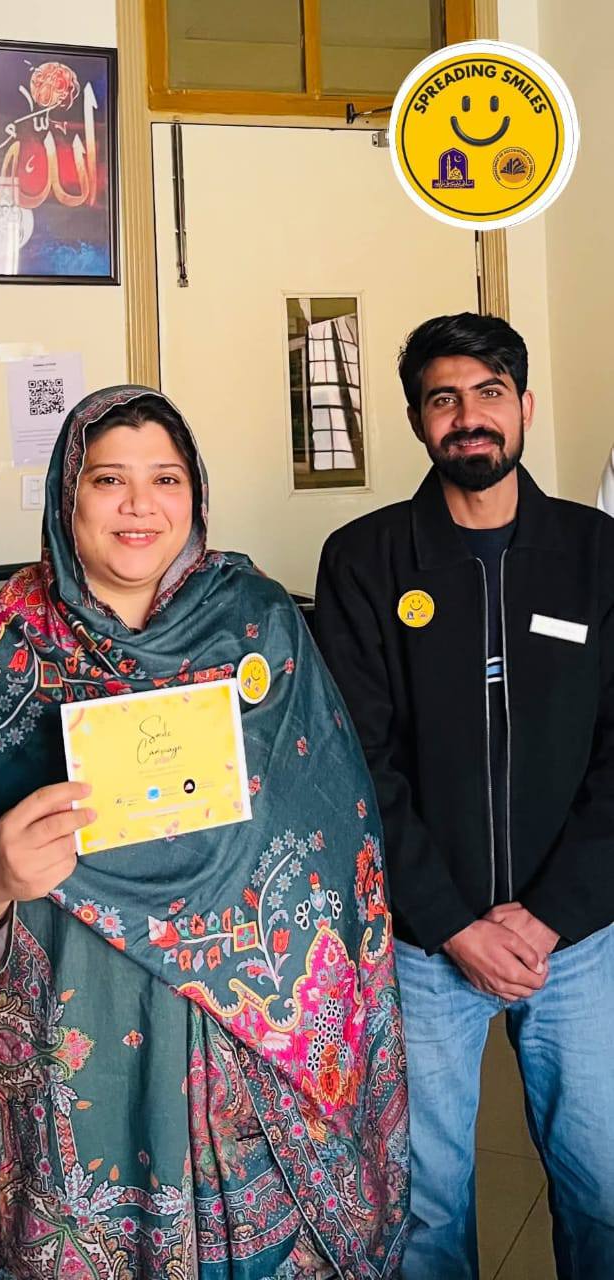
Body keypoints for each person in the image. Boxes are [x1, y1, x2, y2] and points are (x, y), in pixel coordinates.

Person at [0, 386, 409, 1279]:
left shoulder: (255, 618)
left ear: (194, 494)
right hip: (77, 1034)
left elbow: (339, 826)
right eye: (108, 480)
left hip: (251, 1038)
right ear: (67, 496)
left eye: (164, 479)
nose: (139, 505)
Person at [314, 313, 614, 1279]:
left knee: (603, 1190)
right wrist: (449, 923)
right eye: (442, 399)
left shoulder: (597, 552)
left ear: (524, 406)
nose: (467, 416)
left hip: (578, 940)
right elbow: (356, 765)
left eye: (488, 393)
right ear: (416, 420)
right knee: (425, 1204)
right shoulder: (363, 559)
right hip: (420, 944)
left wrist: (553, 913)